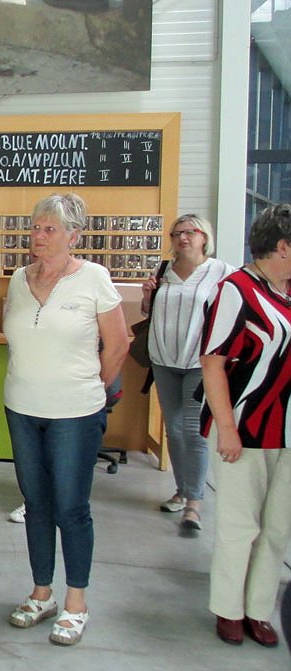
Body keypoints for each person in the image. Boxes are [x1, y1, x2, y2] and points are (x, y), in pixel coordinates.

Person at [2, 193, 128, 646]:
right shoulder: (18, 279)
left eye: (49, 228)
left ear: (74, 234)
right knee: (35, 504)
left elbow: (118, 344)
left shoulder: (94, 278)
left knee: (71, 508)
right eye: (36, 227)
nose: (39, 235)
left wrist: (91, 388)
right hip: (22, 408)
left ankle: (77, 602)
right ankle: (42, 593)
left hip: (75, 412)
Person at [200, 203, 291, 648]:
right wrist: (227, 428)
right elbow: (212, 362)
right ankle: (229, 609)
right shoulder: (236, 289)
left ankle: (259, 609)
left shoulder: (288, 292)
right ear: (283, 246)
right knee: (241, 526)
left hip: (287, 429)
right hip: (246, 424)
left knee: (278, 529)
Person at [141, 214, 234, 533]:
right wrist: (147, 295)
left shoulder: (221, 272)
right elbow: (148, 311)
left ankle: (194, 502)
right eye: (177, 233)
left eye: (190, 232)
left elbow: (234, 311)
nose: (183, 238)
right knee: (175, 429)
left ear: (204, 237)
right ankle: (181, 490)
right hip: (163, 358)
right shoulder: (163, 270)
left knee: (193, 431)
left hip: (200, 361)